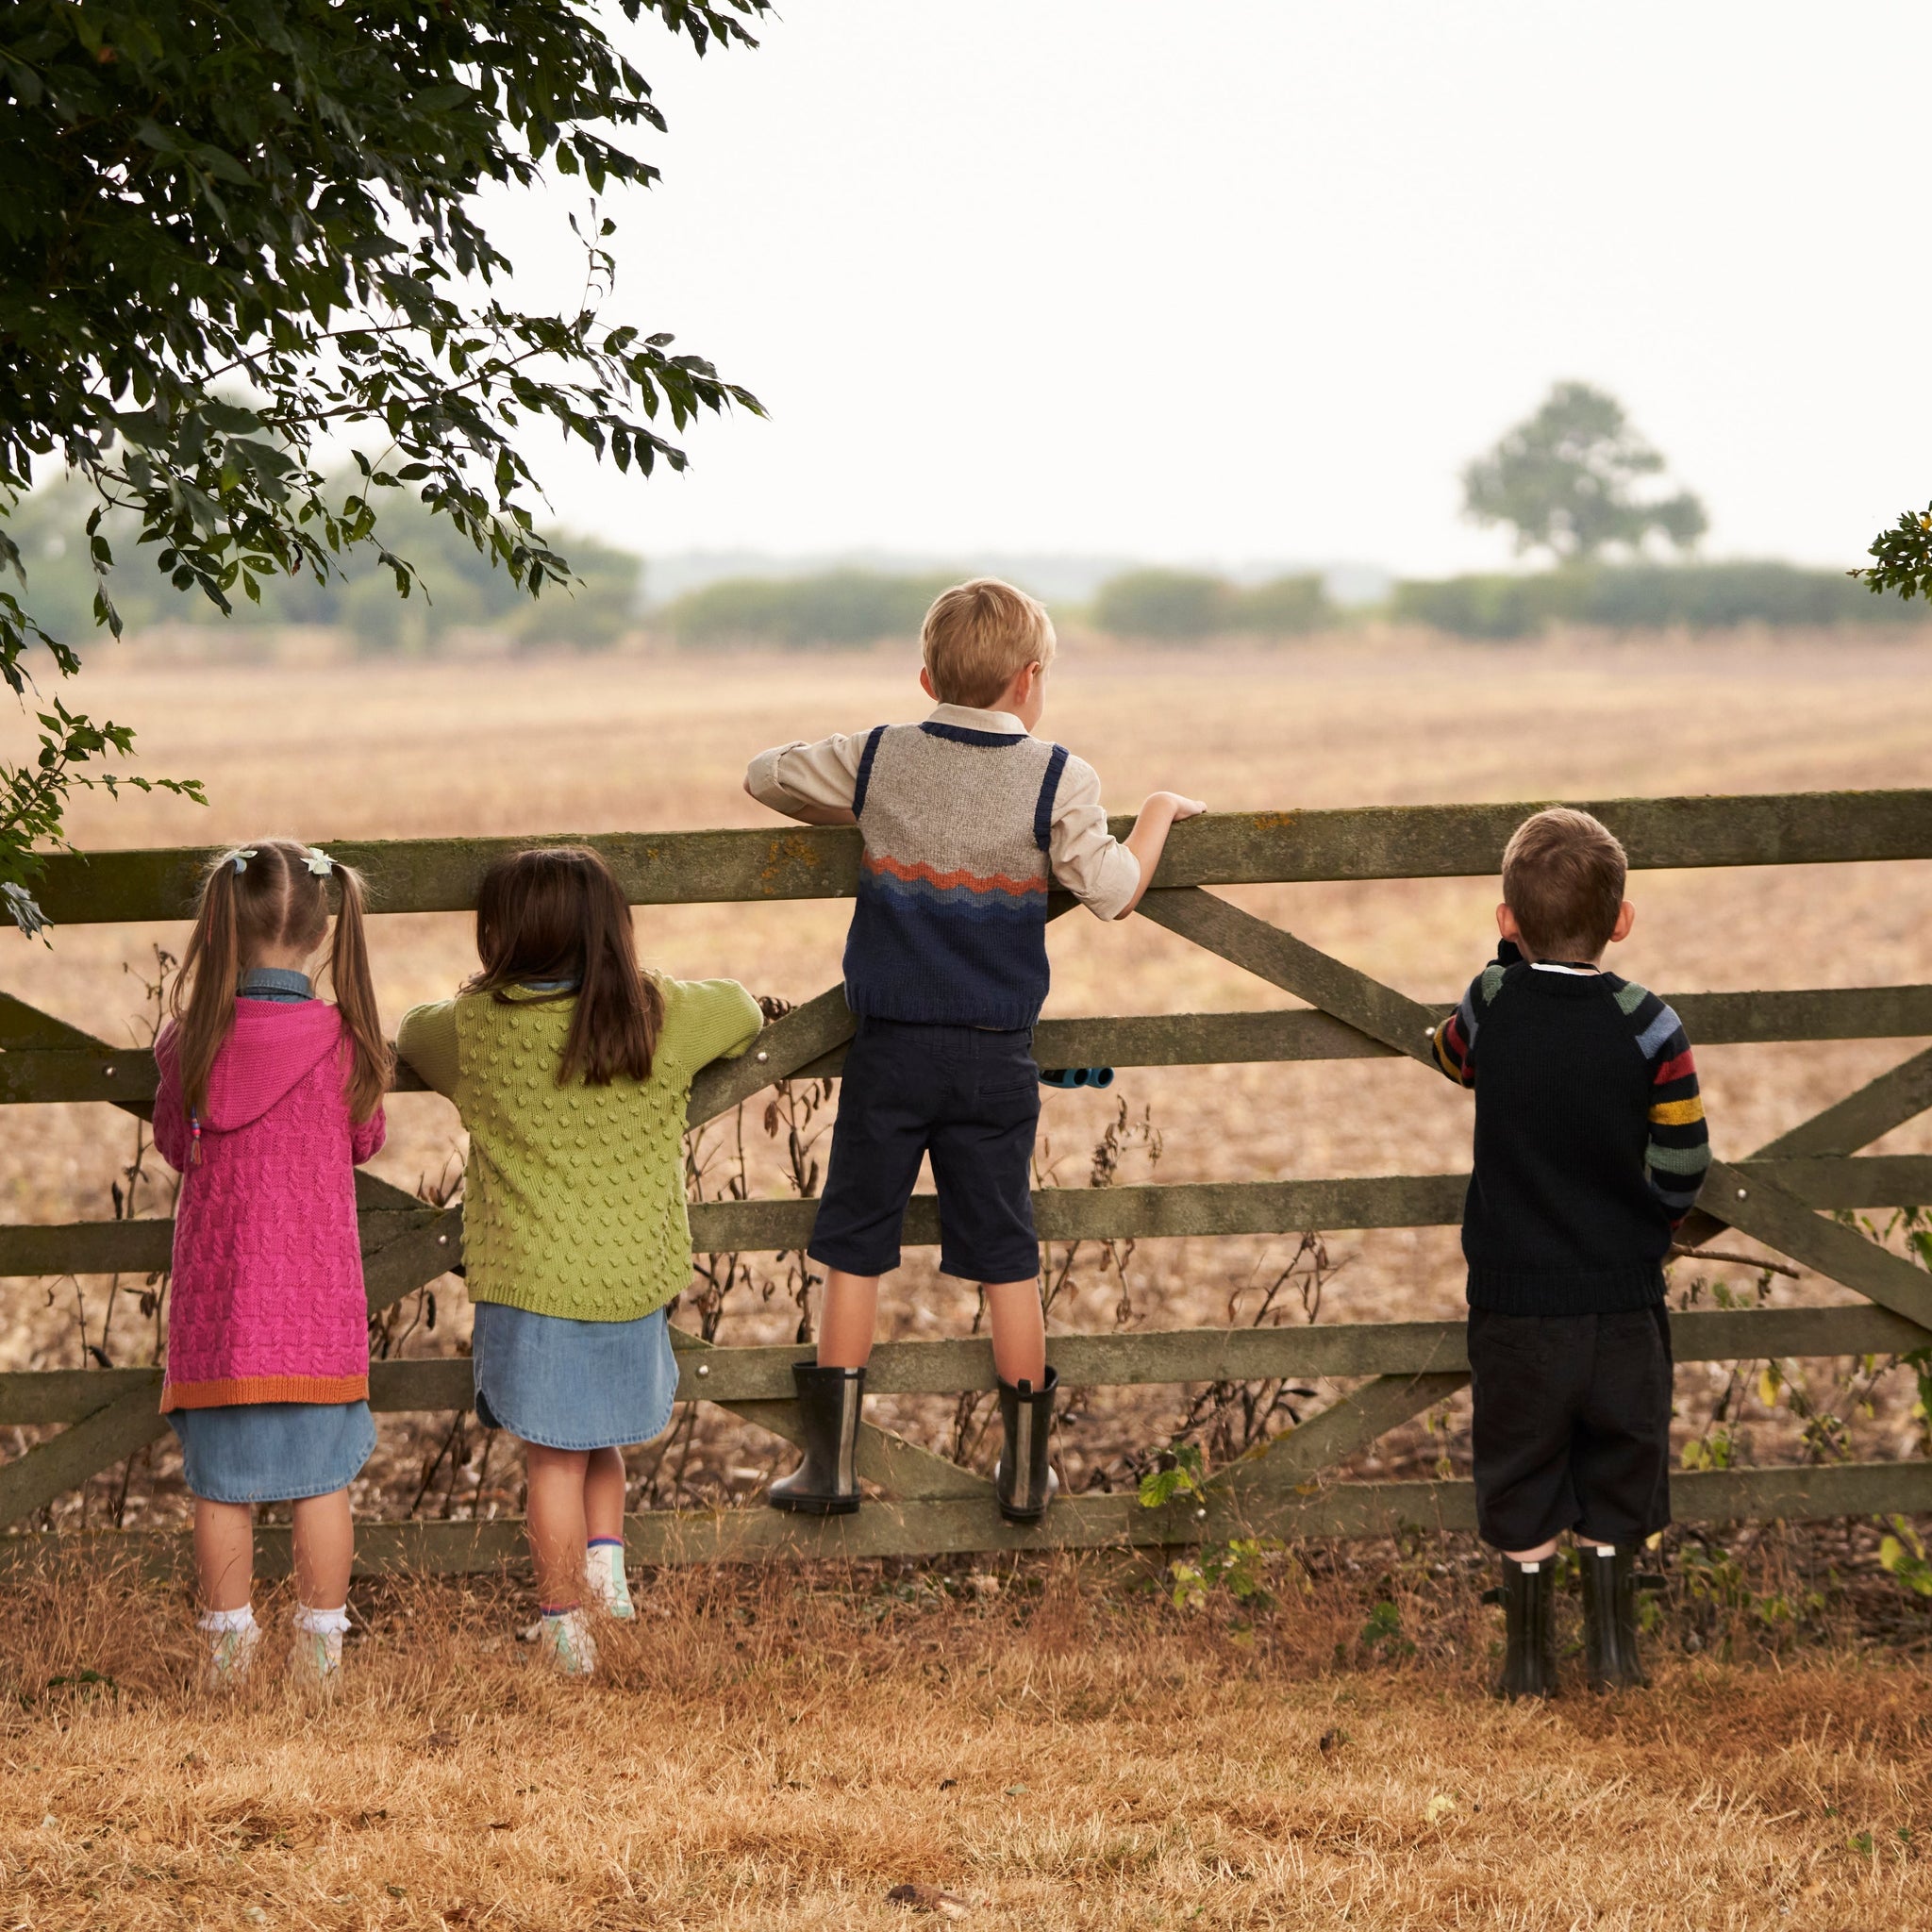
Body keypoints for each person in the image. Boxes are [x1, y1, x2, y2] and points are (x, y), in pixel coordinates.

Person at [743, 577, 1204, 1523]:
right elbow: (1113, 891)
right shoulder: (1057, 777)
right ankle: (1028, 1472)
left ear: (924, 676)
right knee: (1005, 1251)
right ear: (1030, 681)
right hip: (995, 1053)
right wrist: (1153, 810)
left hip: (889, 1049)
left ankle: (828, 1466)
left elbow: (765, 773)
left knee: (855, 1243)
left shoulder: (879, 757)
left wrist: (866, 809)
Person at [397, 847, 760, 1677]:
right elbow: (740, 1007)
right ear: (611, 932)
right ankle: (609, 1590)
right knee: (601, 1440)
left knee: (552, 1457)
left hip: (532, 1283)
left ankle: (565, 1628)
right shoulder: (654, 1014)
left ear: (500, 936)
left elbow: (414, 1030)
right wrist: (640, 979)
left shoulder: (476, 1031)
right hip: (629, 1272)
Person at [1429, 807, 1709, 1697]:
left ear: (1506, 919)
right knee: (1622, 1457)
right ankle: (1617, 1656)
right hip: (1622, 1298)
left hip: (1514, 1301)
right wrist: (1653, 1226)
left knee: (1520, 1463)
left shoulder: (1493, 1002)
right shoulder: (1651, 1026)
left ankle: (1526, 1665)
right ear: (1622, 921)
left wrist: (1502, 959)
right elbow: (1684, 1160)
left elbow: (1449, 1056)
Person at [152, 840, 391, 1687]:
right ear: (324, 933)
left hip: (221, 1311)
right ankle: (319, 1654)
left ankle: (227, 1654)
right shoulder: (344, 1041)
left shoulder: (192, 1041)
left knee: (223, 1487)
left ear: (221, 926)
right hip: (317, 1305)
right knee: (322, 1481)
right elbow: (366, 1137)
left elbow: (175, 1148)